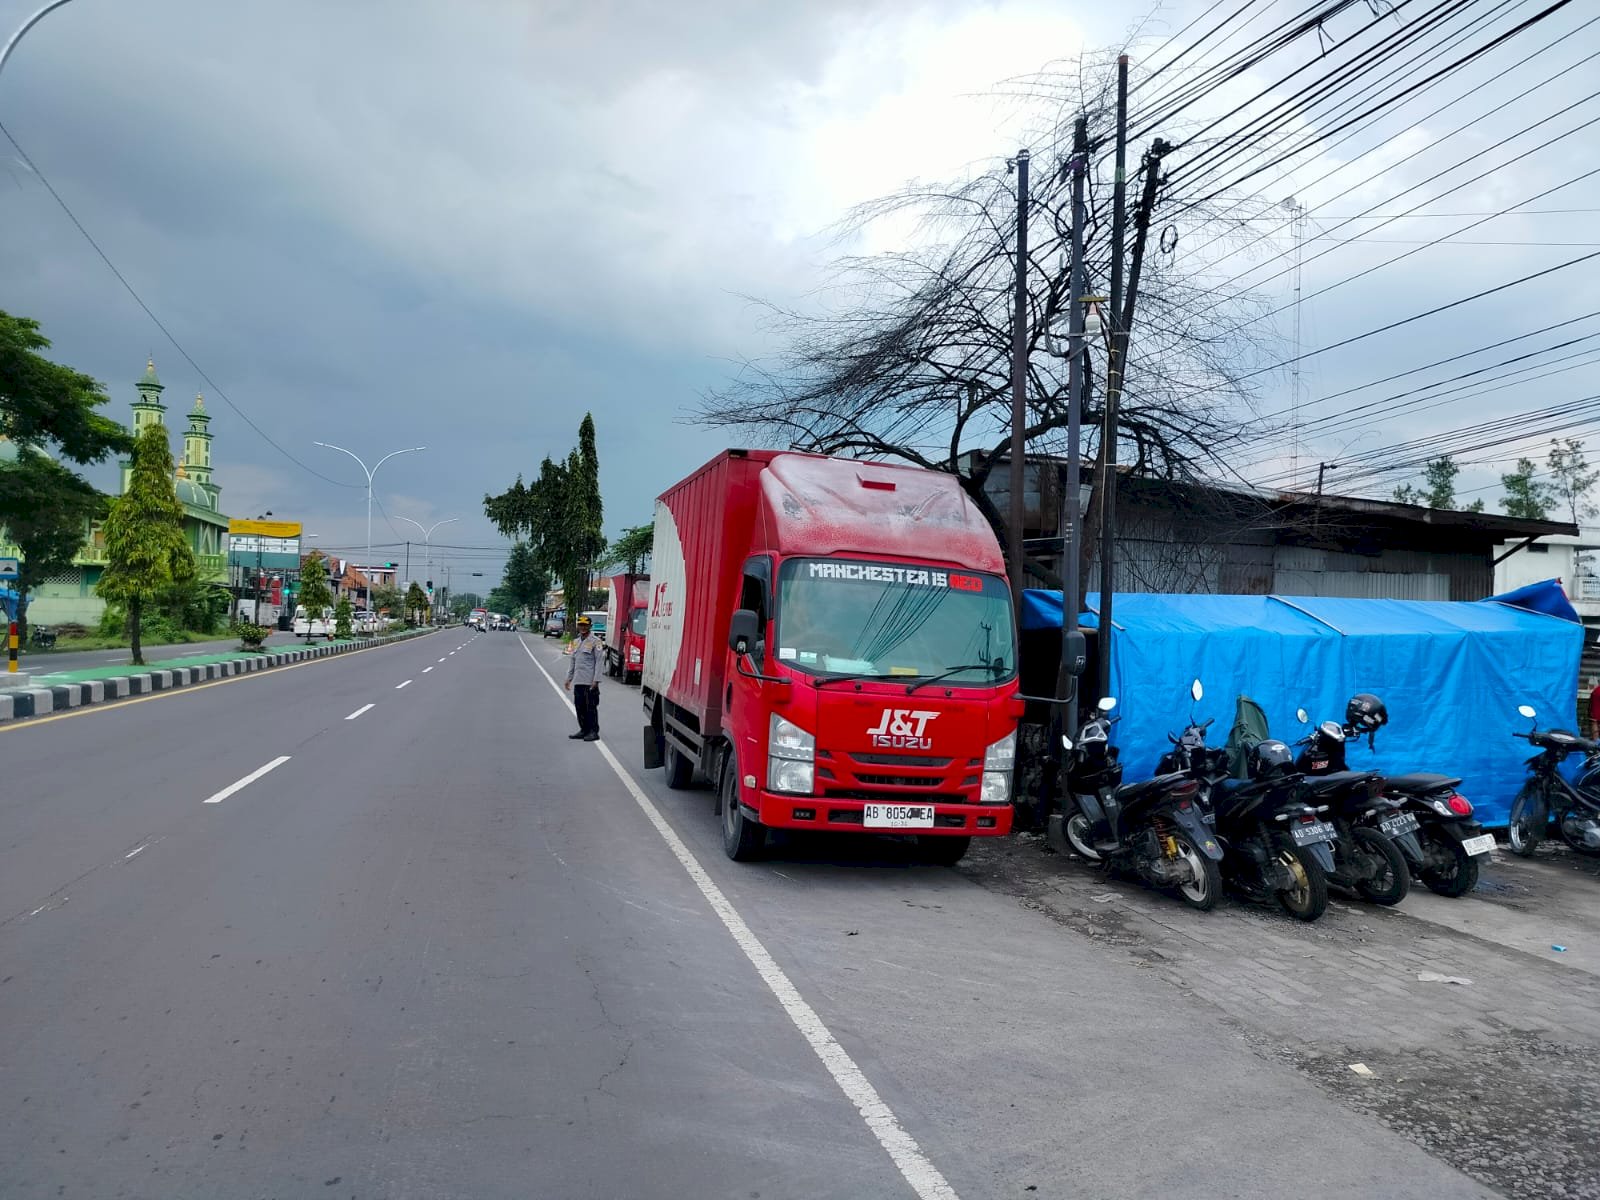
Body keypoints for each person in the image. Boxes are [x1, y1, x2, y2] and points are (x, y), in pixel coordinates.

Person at [564, 614, 603, 741]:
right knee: (579, 707)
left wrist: (596, 680)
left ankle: (593, 731)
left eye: (585, 625)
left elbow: (599, 662)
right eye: (580, 625)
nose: (583, 627)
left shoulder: (596, 642)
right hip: (579, 681)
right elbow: (573, 661)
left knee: (590, 708)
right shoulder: (576, 642)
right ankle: (583, 729)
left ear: (590, 626)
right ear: (578, 626)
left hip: (590, 682)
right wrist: (569, 678)